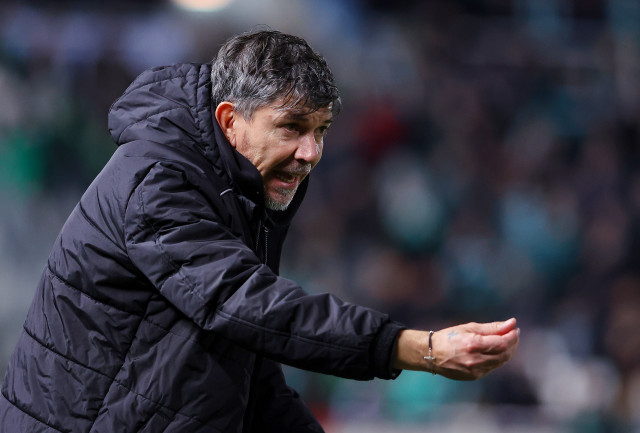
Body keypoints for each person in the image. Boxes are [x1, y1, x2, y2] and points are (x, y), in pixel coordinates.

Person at [0, 29, 519, 432]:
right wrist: (415, 347)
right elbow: (245, 304)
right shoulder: (158, 179)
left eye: (321, 131)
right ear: (230, 120)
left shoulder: (236, 186)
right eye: (292, 127)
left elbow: (246, 364)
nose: (310, 153)